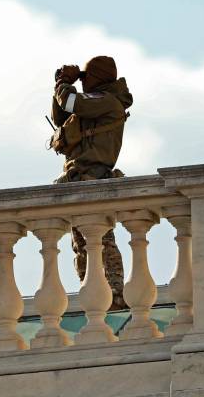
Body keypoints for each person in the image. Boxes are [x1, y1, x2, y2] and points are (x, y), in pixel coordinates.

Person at [49, 55, 132, 310]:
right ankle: (93, 294)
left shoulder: (106, 102)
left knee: (102, 240)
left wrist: (65, 83)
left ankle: (116, 295)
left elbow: (72, 102)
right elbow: (61, 116)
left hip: (93, 178)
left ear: (97, 78)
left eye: (86, 78)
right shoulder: (92, 103)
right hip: (78, 179)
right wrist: (59, 86)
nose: (82, 83)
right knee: (81, 246)